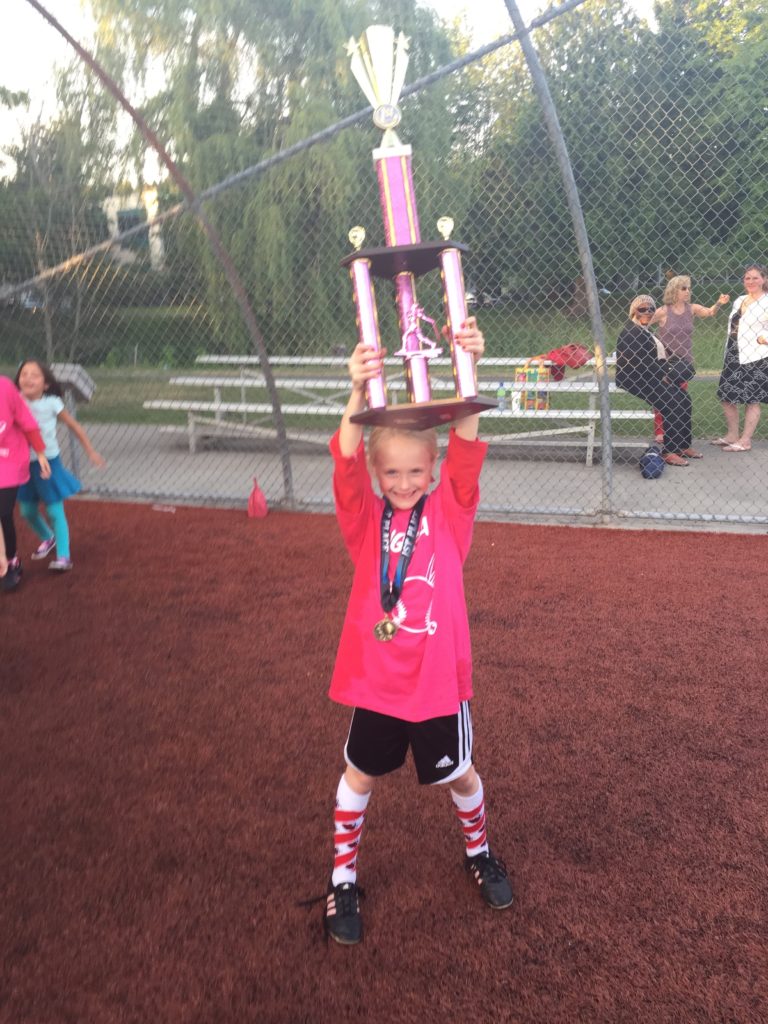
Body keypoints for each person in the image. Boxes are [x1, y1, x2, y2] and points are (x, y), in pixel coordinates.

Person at [320, 317, 512, 946]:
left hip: (435, 686)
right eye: (391, 474)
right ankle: (343, 877)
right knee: (358, 775)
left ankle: (479, 851)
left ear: (433, 469)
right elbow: (346, 458)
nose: (403, 484)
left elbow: (466, 445)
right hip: (378, 684)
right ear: (378, 476)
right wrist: (357, 389)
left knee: (461, 774)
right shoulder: (364, 521)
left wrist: (468, 367)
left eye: (415, 472)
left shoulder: (450, 513)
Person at [14, 360, 105, 572]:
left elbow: (74, 426)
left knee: (54, 511)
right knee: (27, 511)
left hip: (48, 463)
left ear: (46, 384)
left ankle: (64, 556)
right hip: (23, 464)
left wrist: (90, 450)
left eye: (34, 375)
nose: (28, 378)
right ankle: (49, 537)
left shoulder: (52, 403)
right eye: (24, 374)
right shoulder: (15, 401)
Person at [615, 295, 700, 466]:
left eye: (651, 309)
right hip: (635, 378)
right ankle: (669, 451)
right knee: (672, 402)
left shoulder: (645, 331)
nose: (648, 312)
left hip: (652, 376)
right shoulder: (631, 332)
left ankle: (683, 446)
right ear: (634, 312)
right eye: (642, 309)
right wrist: (664, 375)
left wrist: (674, 365)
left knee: (684, 399)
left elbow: (661, 355)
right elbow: (639, 363)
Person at [649, 276, 730, 444]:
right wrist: (652, 343)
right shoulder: (663, 311)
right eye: (684, 288)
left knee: (679, 398)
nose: (688, 291)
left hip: (684, 363)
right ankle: (660, 431)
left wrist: (719, 303)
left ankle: (676, 431)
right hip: (665, 362)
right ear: (674, 290)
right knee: (662, 396)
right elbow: (643, 325)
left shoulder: (692, 309)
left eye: (688, 288)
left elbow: (710, 312)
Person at [0, 375, 51, 591]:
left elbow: (27, 422)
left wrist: (40, 452)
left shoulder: (4, 388)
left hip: (9, 458)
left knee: (2, 511)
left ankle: (11, 560)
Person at [713, 264, 768, 452]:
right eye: (747, 278)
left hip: (757, 355)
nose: (751, 281)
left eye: (755, 277)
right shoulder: (740, 300)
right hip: (734, 352)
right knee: (726, 394)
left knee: (752, 399)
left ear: (764, 279)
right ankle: (732, 435)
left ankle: (745, 440)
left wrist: (764, 338)